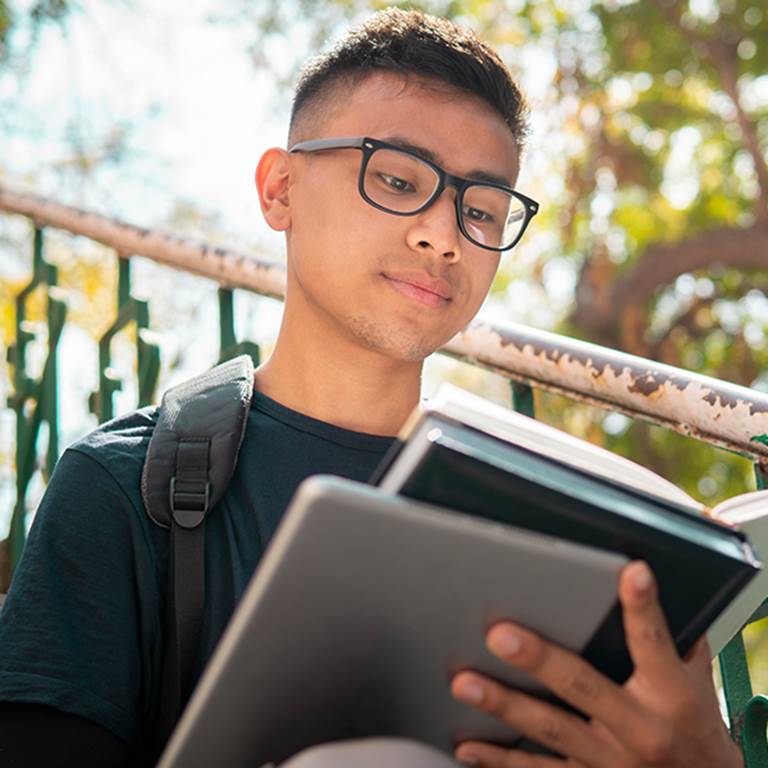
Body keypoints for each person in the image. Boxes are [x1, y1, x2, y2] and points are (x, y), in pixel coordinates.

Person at [0, 8, 743, 768]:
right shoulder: (127, 485)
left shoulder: (559, 523)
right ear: (280, 189)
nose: (444, 235)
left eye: (481, 209)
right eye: (396, 179)